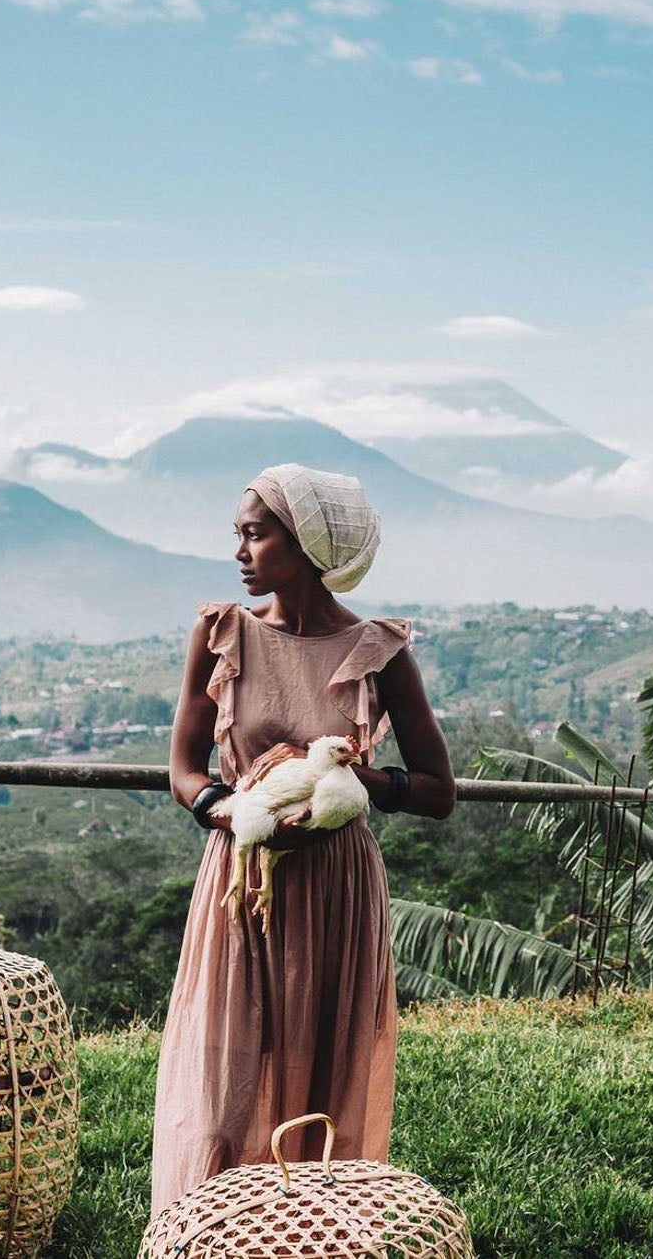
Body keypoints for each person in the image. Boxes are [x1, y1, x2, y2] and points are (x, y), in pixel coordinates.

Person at [152, 462, 455, 1211]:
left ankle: (315, 1227)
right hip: (241, 882)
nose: (241, 551)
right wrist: (231, 812)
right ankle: (213, 1224)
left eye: (255, 534)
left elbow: (436, 789)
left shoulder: (375, 651)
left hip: (334, 886)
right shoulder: (222, 635)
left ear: (308, 543)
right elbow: (184, 770)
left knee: (325, 1070)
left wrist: (350, 789)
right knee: (227, 1082)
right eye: (240, 535)